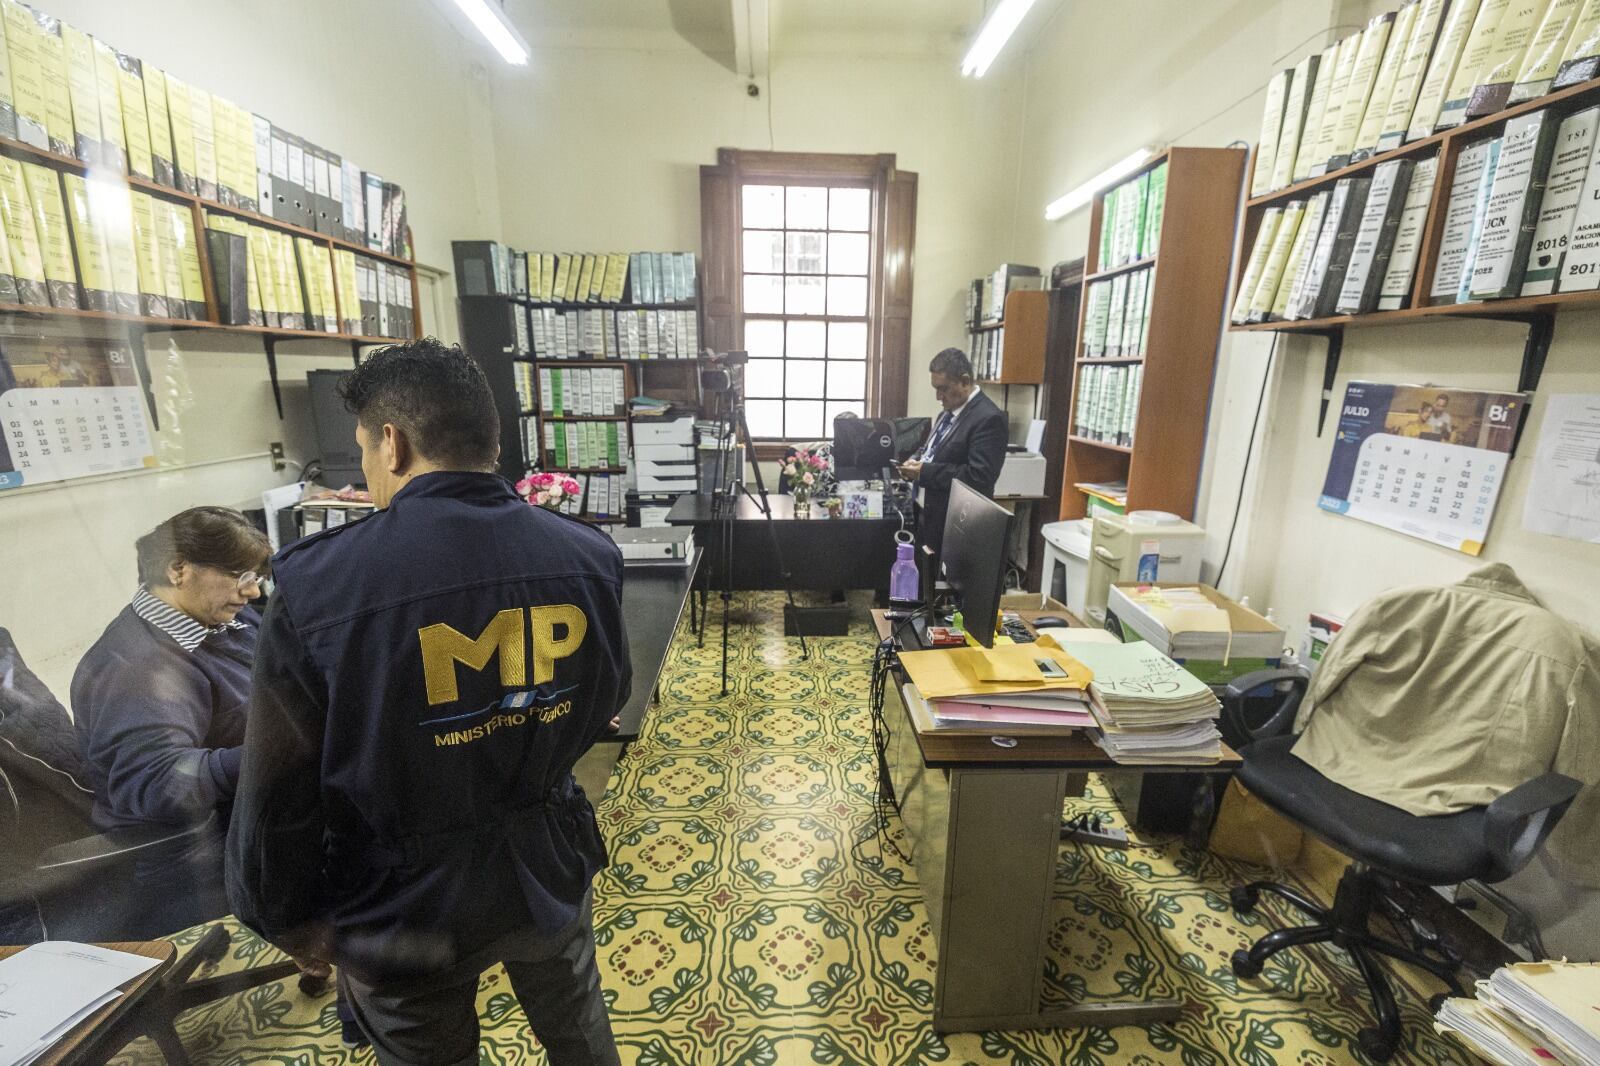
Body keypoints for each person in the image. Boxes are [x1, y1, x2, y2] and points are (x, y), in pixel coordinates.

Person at [227, 338, 629, 1066]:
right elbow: (607, 693)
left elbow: (280, 785)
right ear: (491, 440)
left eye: (362, 449)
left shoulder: (321, 587)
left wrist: (284, 914)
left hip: (401, 901)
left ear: (393, 442)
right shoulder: (586, 554)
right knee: (579, 1032)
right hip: (546, 863)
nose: (366, 469)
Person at [70, 506, 269, 931]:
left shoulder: (218, 619)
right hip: (192, 860)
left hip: (240, 820)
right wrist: (274, 752)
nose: (253, 592)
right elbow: (157, 781)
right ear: (179, 569)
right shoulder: (137, 668)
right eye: (241, 576)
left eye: (256, 577)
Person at [897, 347, 1009, 563]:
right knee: (923, 578)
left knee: (942, 582)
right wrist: (915, 461)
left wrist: (924, 472)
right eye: (935, 389)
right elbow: (931, 450)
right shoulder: (947, 413)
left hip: (956, 526)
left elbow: (979, 477)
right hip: (928, 517)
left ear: (965, 381)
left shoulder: (989, 418)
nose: (938, 396)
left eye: (943, 389)